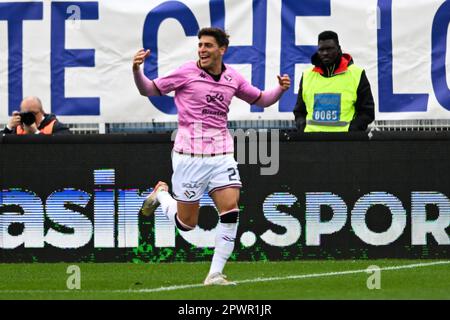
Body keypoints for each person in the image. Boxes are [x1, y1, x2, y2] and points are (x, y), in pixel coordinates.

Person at [133, 27, 290, 285]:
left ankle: (214, 274)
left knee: (230, 210)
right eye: (200, 45)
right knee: (187, 224)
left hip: (221, 154)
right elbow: (148, 90)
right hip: (189, 156)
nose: (202, 50)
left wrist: (280, 90)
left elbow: (261, 99)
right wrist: (137, 70)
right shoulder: (186, 72)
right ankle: (161, 194)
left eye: (208, 45)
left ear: (222, 49)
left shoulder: (233, 78)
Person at [293, 31, 375, 132]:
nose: (325, 53)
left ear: (339, 49)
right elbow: (299, 111)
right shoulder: (307, 76)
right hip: (312, 141)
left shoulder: (357, 74)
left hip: (345, 142)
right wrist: (303, 127)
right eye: (321, 49)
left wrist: (352, 130)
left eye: (329, 49)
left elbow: (367, 112)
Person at [2, 96, 70, 135]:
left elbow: (62, 148)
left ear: (42, 112)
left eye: (33, 113)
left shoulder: (55, 127)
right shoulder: (17, 128)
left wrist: (36, 132)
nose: (29, 117)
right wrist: (8, 128)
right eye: (25, 114)